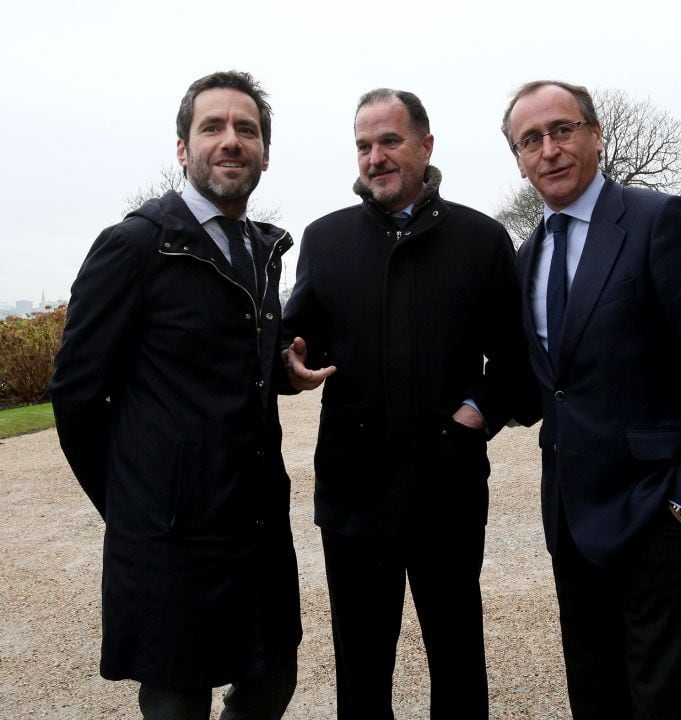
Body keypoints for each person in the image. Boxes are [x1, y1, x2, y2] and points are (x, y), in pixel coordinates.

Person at [501, 80, 681, 719]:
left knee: (664, 703)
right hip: (570, 521)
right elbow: (546, 383)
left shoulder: (657, 223)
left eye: (562, 130)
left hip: (655, 519)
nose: (549, 150)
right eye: (530, 140)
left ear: (594, 134)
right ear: (518, 157)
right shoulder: (527, 256)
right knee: (595, 698)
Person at [49, 70, 301, 720]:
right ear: (184, 149)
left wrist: (280, 366)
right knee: (176, 704)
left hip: (258, 530)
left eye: (246, 129)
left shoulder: (260, 250)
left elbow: (219, 361)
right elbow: (76, 395)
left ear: (264, 153)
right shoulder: (134, 246)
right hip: (170, 543)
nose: (230, 140)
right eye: (212, 126)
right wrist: (137, 505)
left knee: (273, 683)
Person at [281, 88, 535, 718]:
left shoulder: (481, 239)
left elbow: (517, 359)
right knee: (361, 669)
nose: (375, 157)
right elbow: (292, 338)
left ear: (426, 145)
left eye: (390, 141)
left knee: (457, 657)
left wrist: (475, 412)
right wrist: (285, 364)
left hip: (446, 486)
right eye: (364, 145)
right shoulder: (326, 238)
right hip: (352, 491)